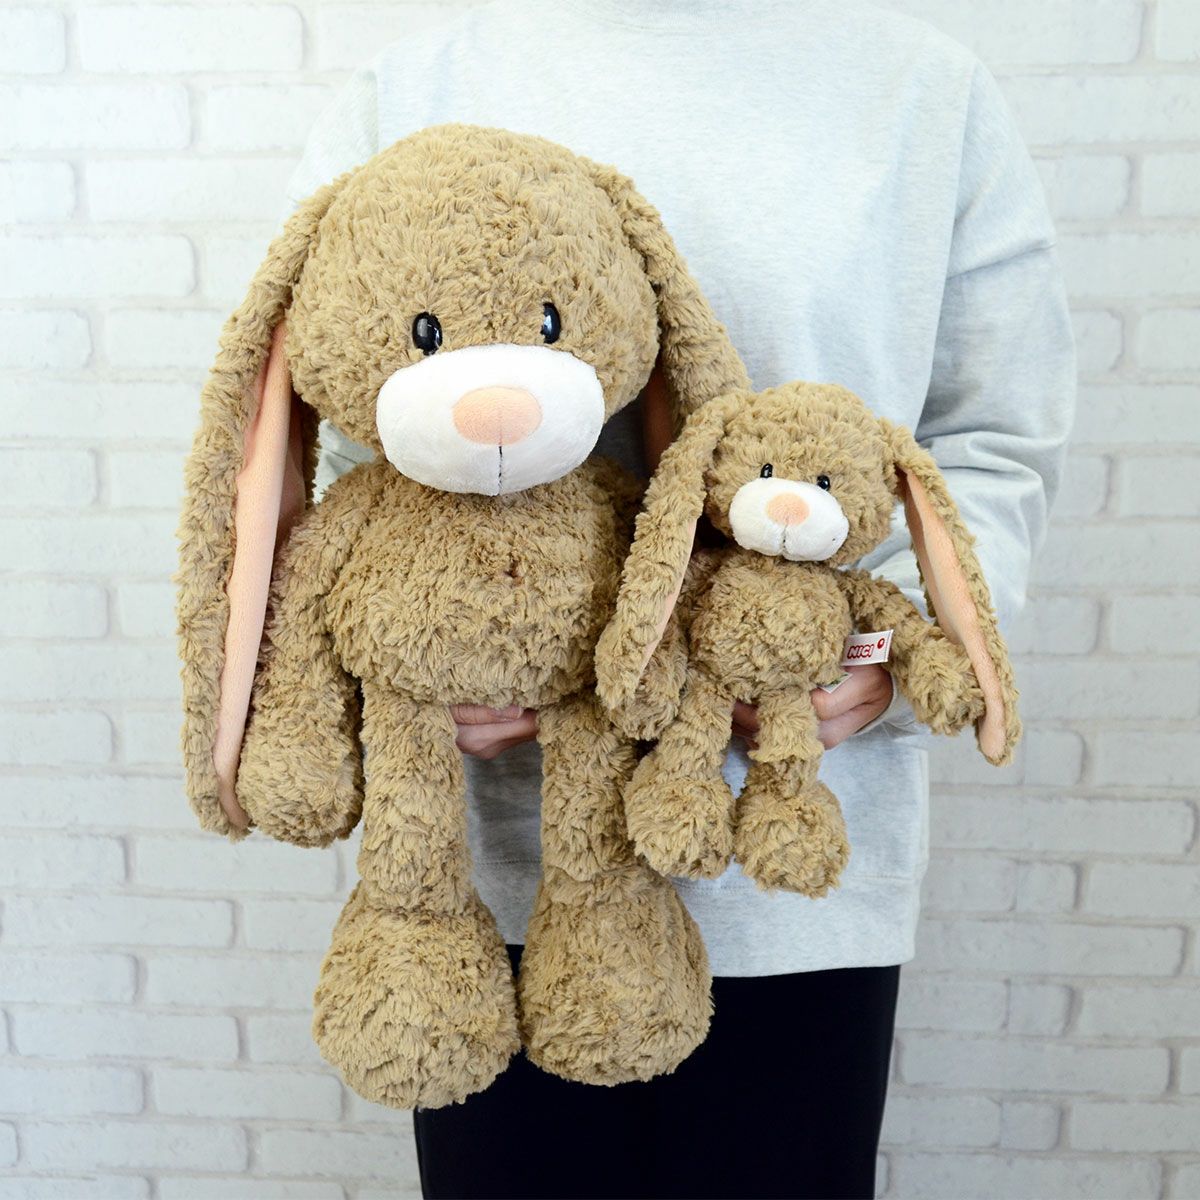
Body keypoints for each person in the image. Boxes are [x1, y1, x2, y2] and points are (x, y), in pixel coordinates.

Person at [282, 2, 1075, 1196]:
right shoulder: (415, 88)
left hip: (795, 853)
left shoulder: (924, 94)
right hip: (490, 873)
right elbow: (333, 447)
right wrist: (413, 663)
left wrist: (879, 649)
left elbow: (994, 434)